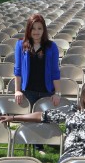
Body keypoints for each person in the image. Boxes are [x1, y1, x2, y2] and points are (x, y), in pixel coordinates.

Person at [0, 80, 85, 162]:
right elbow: (42, 116)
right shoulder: (70, 110)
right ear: (84, 94)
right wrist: (13, 118)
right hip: (71, 155)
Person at [14, 13, 61, 154]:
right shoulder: (20, 45)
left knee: (47, 118)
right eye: (33, 28)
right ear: (28, 29)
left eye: (39, 28)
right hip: (28, 90)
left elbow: (55, 71)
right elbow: (18, 70)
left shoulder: (51, 47)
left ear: (44, 30)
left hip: (46, 89)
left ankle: (51, 141)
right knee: (33, 118)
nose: (36, 31)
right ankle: (38, 145)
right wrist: (17, 90)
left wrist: (57, 92)